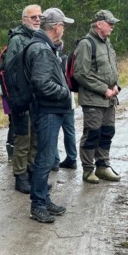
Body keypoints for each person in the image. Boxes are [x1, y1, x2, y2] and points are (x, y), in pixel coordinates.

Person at [24, 8, 73, 223]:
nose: (64, 29)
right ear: (56, 27)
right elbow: (42, 83)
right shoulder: (42, 49)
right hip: (48, 111)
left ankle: (44, 199)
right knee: (44, 160)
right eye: (63, 25)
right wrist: (65, 93)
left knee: (45, 156)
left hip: (50, 110)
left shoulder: (44, 46)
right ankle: (38, 205)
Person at [73, 10, 122, 184]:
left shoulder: (107, 43)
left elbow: (111, 68)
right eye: (110, 23)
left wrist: (115, 85)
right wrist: (103, 89)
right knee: (92, 133)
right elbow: (81, 73)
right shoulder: (86, 44)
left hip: (109, 99)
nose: (112, 27)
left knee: (107, 132)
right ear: (99, 23)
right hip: (93, 99)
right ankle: (87, 170)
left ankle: (102, 166)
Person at [5, 5, 41, 193]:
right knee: (22, 139)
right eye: (33, 16)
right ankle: (20, 176)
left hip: (37, 99)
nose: (37, 19)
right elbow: (11, 71)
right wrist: (19, 97)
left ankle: (32, 173)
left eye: (39, 16)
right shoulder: (17, 40)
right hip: (22, 99)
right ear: (23, 19)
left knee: (35, 138)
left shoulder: (38, 37)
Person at [52, 39, 78, 170]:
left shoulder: (49, 59)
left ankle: (55, 161)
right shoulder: (67, 59)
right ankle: (72, 158)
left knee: (53, 131)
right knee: (69, 130)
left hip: (54, 99)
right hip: (68, 98)